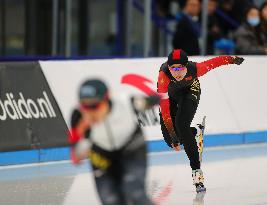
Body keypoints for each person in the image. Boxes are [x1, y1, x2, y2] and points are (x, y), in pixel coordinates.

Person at [157, 49, 244, 193]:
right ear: (169, 67)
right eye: (173, 68)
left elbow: (215, 62)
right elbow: (165, 111)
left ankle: (197, 173)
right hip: (171, 97)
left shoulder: (196, 69)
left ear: (186, 66)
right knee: (171, 141)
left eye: (180, 68)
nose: (177, 72)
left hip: (190, 91)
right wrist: (173, 136)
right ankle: (196, 131)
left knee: (181, 124)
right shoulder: (163, 77)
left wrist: (232, 59)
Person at [68, 79, 159, 205]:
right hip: (102, 155)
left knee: (135, 192)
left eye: (95, 106)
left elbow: (156, 99)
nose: (90, 111)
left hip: (131, 149)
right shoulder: (78, 116)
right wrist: (84, 134)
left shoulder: (126, 102)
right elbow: (75, 158)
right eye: (85, 106)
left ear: (107, 98)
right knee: (111, 201)